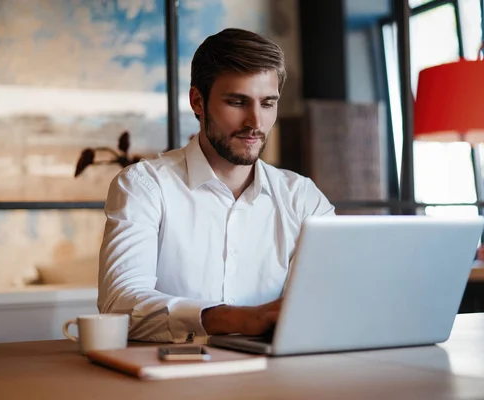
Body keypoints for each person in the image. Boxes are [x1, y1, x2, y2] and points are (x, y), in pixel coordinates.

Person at [98, 28, 334, 343]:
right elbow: (119, 306)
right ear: (198, 101)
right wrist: (242, 318)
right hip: (170, 380)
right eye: (237, 102)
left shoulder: (303, 198)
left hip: (277, 379)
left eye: (267, 103)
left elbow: (330, 301)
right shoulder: (144, 186)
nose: (255, 122)